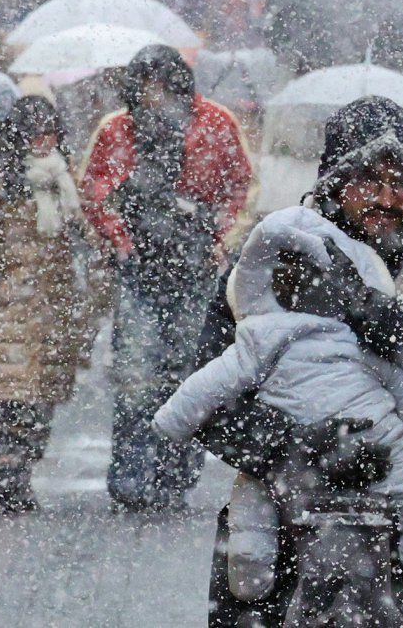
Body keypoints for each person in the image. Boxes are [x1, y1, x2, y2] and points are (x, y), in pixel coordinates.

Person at [194, 96, 403, 625]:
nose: (387, 199)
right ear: (332, 183)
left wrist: (370, 311)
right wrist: (300, 450)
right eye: (369, 180)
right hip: (281, 530)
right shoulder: (268, 255)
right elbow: (208, 394)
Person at [156, 207, 403, 598]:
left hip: (327, 449)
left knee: (254, 504)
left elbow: (208, 385)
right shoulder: (360, 333)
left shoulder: (260, 337)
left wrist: (172, 419)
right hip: (374, 439)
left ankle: (250, 568)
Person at [80, 44, 253, 511]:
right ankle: (132, 474)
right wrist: (123, 241)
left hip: (195, 269)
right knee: (136, 374)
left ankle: (175, 474)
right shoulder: (117, 130)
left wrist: (219, 239)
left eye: (161, 86)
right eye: (145, 86)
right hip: (140, 269)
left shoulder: (217, 124)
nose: (153, 96)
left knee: (187, 375)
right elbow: (95, 192)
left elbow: (241, 184)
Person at [0, 97, 96, 512]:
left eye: (51, 131)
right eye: (35, 131)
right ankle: (10, 467)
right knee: (8, 393)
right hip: (12, 307)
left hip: (55, 306)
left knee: (43, 396)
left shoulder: (66, 176)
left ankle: (23, 467)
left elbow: (86, 229)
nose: (44, 140)